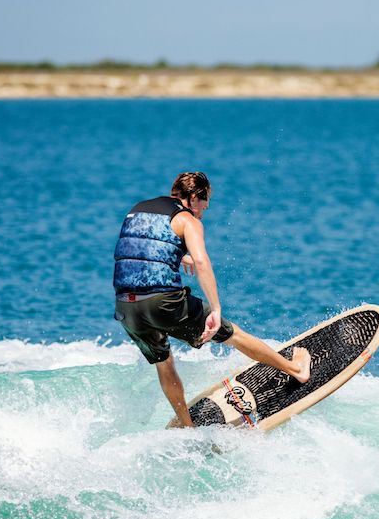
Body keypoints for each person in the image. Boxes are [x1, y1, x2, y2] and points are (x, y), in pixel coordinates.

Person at [113, 171, 311, 426]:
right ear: (194, 197)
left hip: (126, 307)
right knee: (233, 334)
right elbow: (202, 261)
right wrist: (215, 309)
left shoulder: (138, 210)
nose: (205, 209)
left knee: (164, 362)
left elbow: (137, 249)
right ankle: (296, 370)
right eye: (205, 202)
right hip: (163, 302)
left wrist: (176, 256)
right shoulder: (188, 220)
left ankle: (187, 425)